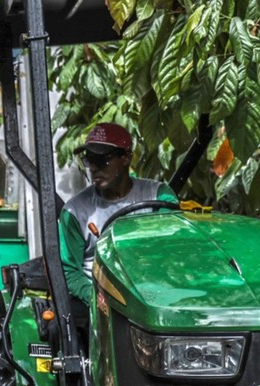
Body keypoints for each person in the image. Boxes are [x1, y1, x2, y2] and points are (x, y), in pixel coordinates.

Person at [59, 122, 176, 306]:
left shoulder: (159, 195)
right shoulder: (75, 212)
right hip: (101, 300)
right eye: (89, 160)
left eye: (102, 159)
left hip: (153, 294)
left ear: (126, 158)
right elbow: (68, 270)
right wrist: (94, 298)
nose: (93, 168)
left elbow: (171, 250)